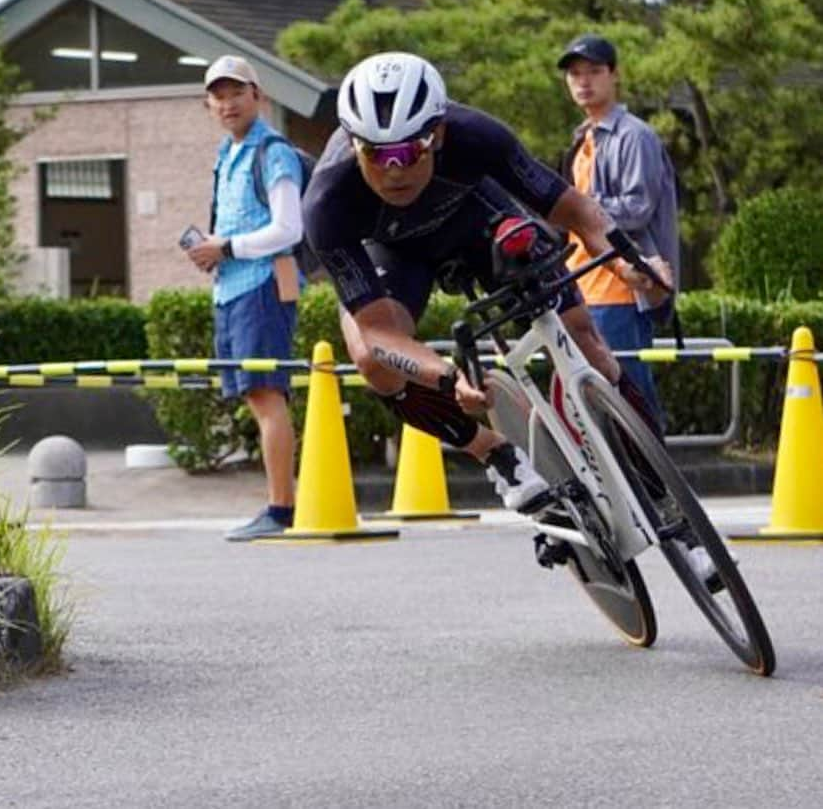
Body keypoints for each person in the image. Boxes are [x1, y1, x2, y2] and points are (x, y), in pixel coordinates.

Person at [303, 51, 718, 585]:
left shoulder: (477, 135)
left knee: (583, 337)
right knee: (370, 359)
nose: (395, 168)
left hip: (480, 221)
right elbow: (380, 329)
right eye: (376, 153)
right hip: (395, 255)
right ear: (351, 143)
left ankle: (672, 510)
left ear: (439, 133)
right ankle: (494, 454)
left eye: (411, 148)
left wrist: (630, 264)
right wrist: (445, 377)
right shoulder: (328, 201)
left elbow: (577, 212)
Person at [184, 55, 304, 541]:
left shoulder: (273, 151)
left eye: (237, 92)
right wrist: (213, 249)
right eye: (218, 94)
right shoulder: (226, 153)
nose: (227, 102)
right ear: (208, 103)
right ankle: (277, 504)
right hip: (232, 287)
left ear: (259, 96)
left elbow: (288, 228)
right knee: (258, 398)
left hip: (262, 286)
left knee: (266, 394)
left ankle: (281, 509)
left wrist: (226, 247)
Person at [557, 34, 679, 428]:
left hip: (622, 288)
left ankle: (656, 484)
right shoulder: (583, 137)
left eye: (594, 71)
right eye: (575, 74)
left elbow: (637, 208)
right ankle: (621, 484)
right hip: (581, 284)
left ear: (614, 75)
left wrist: (579, 206)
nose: (583, 81)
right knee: (592, 399)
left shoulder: (633, 135)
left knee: (628, 393)